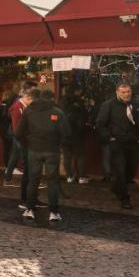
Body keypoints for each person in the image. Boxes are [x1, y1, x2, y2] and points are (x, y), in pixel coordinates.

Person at [16, 87, 68, 224]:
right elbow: (66, 133)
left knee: (33, 180)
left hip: (34, 150)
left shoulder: (29, 110)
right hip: (52, 150)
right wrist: (58, 144)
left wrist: (27, 144)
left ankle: (30, 209)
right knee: (53, 181)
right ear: (52, 99)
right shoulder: (58, 112)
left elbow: (19, 132)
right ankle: (54, 212)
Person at [93, 83, 139, 209]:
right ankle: (124, 198)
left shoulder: (136, 104)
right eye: (123, 92)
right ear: (117, 92)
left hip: (133, 142)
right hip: (117, 143)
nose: (126, 94)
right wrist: (110, 137)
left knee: (132, 169)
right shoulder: (108, 105)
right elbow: (100, 123)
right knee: (120, 171)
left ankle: (117, 187)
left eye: (128, 92)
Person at [61, 95, 89, 184]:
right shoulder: (79, 112)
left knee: (66, 157)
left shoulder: (62, 111)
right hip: (77, 138)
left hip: (65, 138)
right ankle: (82, 177)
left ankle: (69, 176)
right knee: (81, 157)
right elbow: (81, 127)